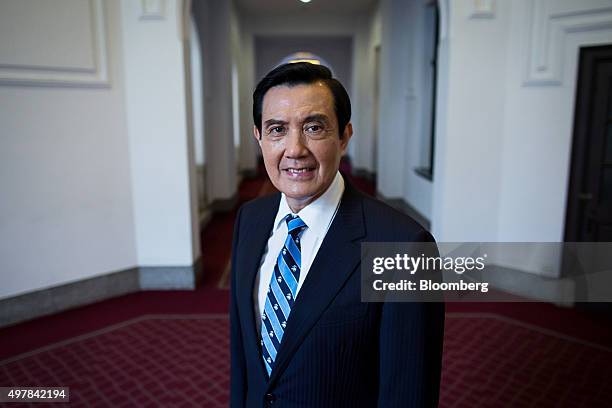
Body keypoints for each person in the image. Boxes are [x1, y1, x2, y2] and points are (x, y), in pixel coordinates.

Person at [230, 62, 445, 407]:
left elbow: (408, 393)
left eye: (314, 128)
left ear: (344, 136)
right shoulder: (250, 221)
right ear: (259, 136)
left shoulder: (404, 249)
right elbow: (243, 363)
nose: (295, 149)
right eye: (277, 130)